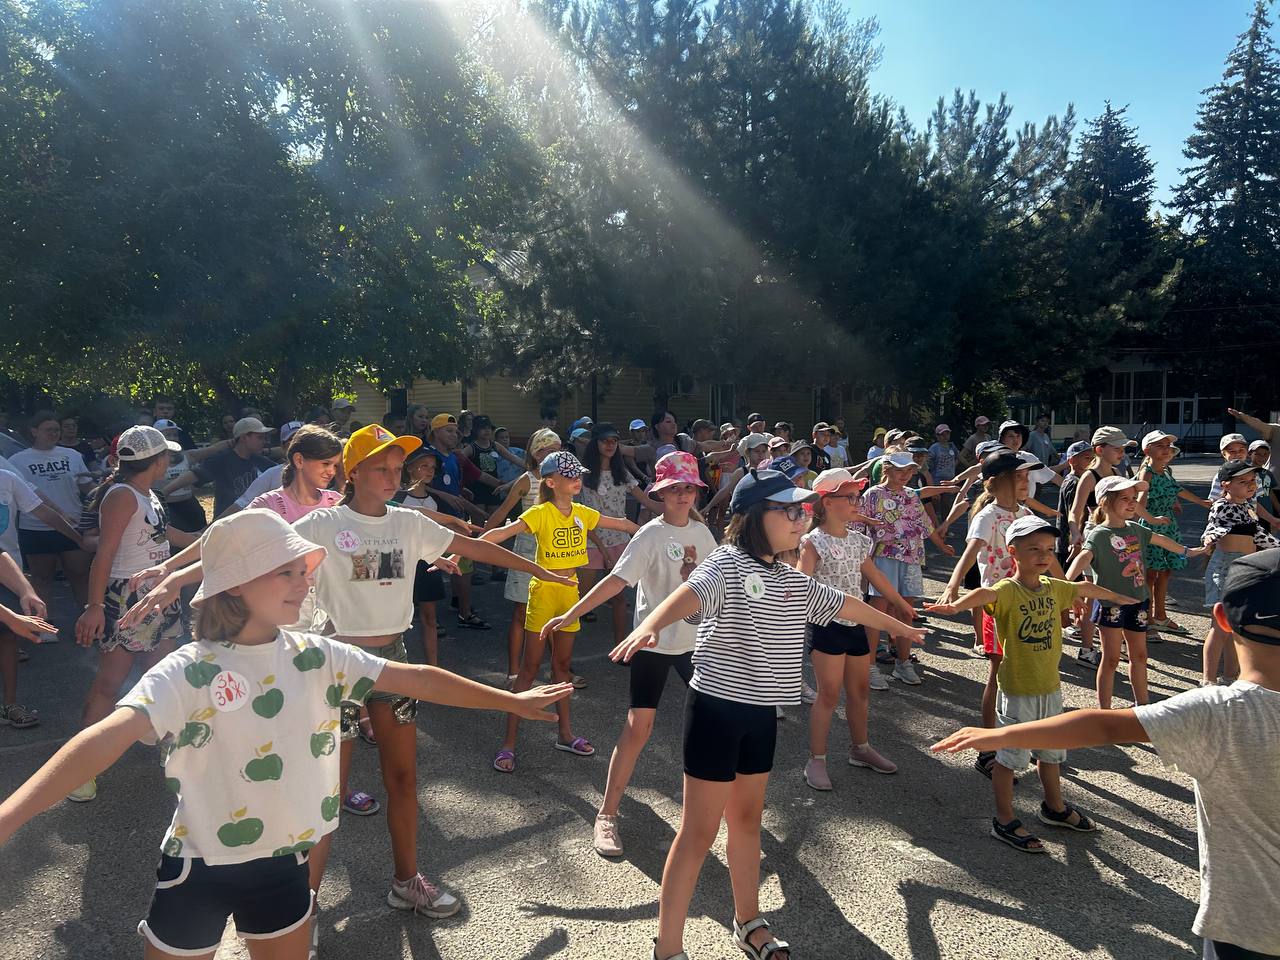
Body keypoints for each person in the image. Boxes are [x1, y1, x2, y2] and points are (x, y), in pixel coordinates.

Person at [0, 508, 571, 959]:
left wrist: (510, 700)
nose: (304, 582)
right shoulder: (187, 670)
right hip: (198, 865)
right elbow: (103, 739)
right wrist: (10, 816)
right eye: (286, 571)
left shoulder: (317, 655)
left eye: (303, 570)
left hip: (285, 865)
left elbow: (415, 677)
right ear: (235, 585)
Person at [611, 468, 924, 960]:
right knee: (698, 832)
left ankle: (749, 922)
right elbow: (689, 594)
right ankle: (667, 947)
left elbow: (843, 604)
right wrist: (649, 624)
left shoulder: (790, 577)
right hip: (716, 712)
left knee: (748, 821)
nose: (802, 519)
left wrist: (898, 622)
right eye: (790, 511)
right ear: (756, 516)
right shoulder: (727, 562)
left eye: (803, 510)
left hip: (760, 715)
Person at [932, 547, 1280, 960]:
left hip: (1247, 928)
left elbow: (1103, 725)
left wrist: (995, 735)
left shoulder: (1216, 713)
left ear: (1221, 619)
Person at [540, 452, 717, 857]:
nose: (683, 495)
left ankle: (716, 807)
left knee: (713, 725)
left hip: (695, 644)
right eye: (674, 488)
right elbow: (617, 581)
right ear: (661, 492)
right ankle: (606, 814)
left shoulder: (703, 534)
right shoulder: (650, 535)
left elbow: (718, 584)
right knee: (638, 728)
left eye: (689, 488)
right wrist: (571, 612)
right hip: (652, 645)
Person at [925, 516, 1134, 853]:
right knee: (1009, 759)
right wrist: (955, 606)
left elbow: (1084, 589)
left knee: (1051, 753)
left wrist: (1119, 597)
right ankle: (1005, 820)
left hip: (1050, 688)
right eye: (1034, 549)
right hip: (1017, 690)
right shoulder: (1008, 590)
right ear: (1013, 552)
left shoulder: (1053, 587)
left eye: (1049, 549)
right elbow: (984, 593)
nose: (1044, 555)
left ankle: (1054, 807)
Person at [481, 451, 638, 772]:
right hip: (543, 594)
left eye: (578, 473)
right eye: (569, 475)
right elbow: (501, 534)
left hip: (570, 594)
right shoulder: (540, 513)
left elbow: (623, 524)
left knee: (562, 667)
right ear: (551, 482)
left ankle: (565, 735)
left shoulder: (582, 512)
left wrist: (662, 533)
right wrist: (458, 552)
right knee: (529, 669)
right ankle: (508, 743)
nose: (577, 479)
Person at [69, 426, 201, 802]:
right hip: (127, 598)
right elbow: (105, 555)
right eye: (166, 456)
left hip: (159, 596)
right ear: (155, 461)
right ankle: (80, 768)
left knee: (163, 677)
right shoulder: (122, 495)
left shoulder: (147, 494)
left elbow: (164, 533)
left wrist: (208, 541)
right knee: (109, 684)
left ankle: (167, 743)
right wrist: (95, 607)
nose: (170, 461)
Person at [798, 469, 915, 791]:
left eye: (856, 496)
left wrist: (901, 605)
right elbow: (800, 582)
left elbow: (876, 577)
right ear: (826, 502)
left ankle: (860, 749)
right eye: (849, 497)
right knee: (828, 694)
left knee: (860, 691)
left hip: (855, 625)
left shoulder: (858, 541)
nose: (856, 502)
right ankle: (816, 760)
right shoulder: (812, 541)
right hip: (826, 626)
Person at [1066, 476, 1207, 709]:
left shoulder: (1136, 529)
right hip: (1111, 605)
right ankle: (1104, 711)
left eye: (1134, 498)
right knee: (1111, 659)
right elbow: (1083, 558)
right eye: (1125, 498)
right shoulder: (1099, 534)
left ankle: (1142, 706)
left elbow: (1161, 540)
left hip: (1138, 601)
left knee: (1140, 656)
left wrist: (1188, 551)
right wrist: (1067, 585)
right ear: (1105, 502)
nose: (1132, 503)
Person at [860, 451, 954, 685]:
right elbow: (859, 526)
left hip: (912, 557)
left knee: (906, 610)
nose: (905, 475)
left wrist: (942, 546)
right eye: (899, 470)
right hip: (883, 556)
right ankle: (868, 667)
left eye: (909, 470)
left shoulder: (912, 495)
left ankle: (902, 663)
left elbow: (925, 524)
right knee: (878, 609)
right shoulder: (873, 494)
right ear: (886, 469)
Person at [483, 429, 568, 685]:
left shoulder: (565, 480)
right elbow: (502, 512)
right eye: (547, 450)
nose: (553, 455)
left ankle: (559, 670)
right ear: (535, 453)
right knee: (522, 612)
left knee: (556, 614)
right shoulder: (527, 480)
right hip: (527, 554)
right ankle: (514, 671)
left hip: (556, 555)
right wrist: (478, 540)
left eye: (557, 450)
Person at [577, 423, 661, 646]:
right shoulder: (582, 475)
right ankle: (561, 648)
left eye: (614, 441)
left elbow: (648, 502)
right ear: (595, 443)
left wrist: (679, 509)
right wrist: (602, 549)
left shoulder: (622, 473)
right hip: (591, 542)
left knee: (619, 598)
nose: (610, 445)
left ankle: (621, 645)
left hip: (619, 542)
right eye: (605, 440)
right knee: (580, 599)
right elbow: (580, 515)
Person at [1201, 461, 1280, 686]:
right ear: (1226, 485)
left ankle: (1229, 677)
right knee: (1219, 627)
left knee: (1235, 626)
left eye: (1252, 481)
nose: (1250, 485)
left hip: (1244, 568)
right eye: (1243, 481)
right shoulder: (1221, 506)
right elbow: (1213, 527)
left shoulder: (1248, 507)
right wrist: (1209, 538)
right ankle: (1208, 680)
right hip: (1224, 567)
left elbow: (1259, 535)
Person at [10, 411, 95, 613]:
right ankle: (44, 622)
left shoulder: (73, 456)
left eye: (56, 430)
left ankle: (88, 620)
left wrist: (104, 490)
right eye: (48, 430)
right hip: (36, 527)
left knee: (80, 574)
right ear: (34, 431)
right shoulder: (17, 460)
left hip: (73, 523)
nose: (54, 434)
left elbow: (87, 486)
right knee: (42, 578)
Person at [1135, 431, 1212, 634]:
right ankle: (1147, 619)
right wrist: (1148, 521)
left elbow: (1177, 489)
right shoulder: (1147, 473)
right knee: (1150, 574)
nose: (1166, 449)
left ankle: (1161, 616)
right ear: (1147, 450)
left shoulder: (1166, 471)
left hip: (1168, 525)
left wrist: (1200, 502)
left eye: (1168, 446)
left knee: (1166, 571)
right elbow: (1139, 503)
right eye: (1160, 445)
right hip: (1151, 526)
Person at [423, 413, 490, 629]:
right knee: (431, 569)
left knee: (463, 565)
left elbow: (452, 487)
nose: (454, 435)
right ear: (435, 433)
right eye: (449, 431)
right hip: (433, 520)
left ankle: (462, 607)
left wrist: (463, 495)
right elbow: (417, 486)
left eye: (456, 432)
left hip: (456, 519)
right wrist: (443, 495)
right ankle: (443, 617)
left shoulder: (454, 457)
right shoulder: (427, 456)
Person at [163, 417, 276, 520]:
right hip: (226, 521)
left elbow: (280, 471)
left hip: (251, 519)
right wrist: (165, 492)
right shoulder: (222, 459)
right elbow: (193, 475)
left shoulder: (258, 459)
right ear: (244, 438)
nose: (264, 441)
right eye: (260, 437)